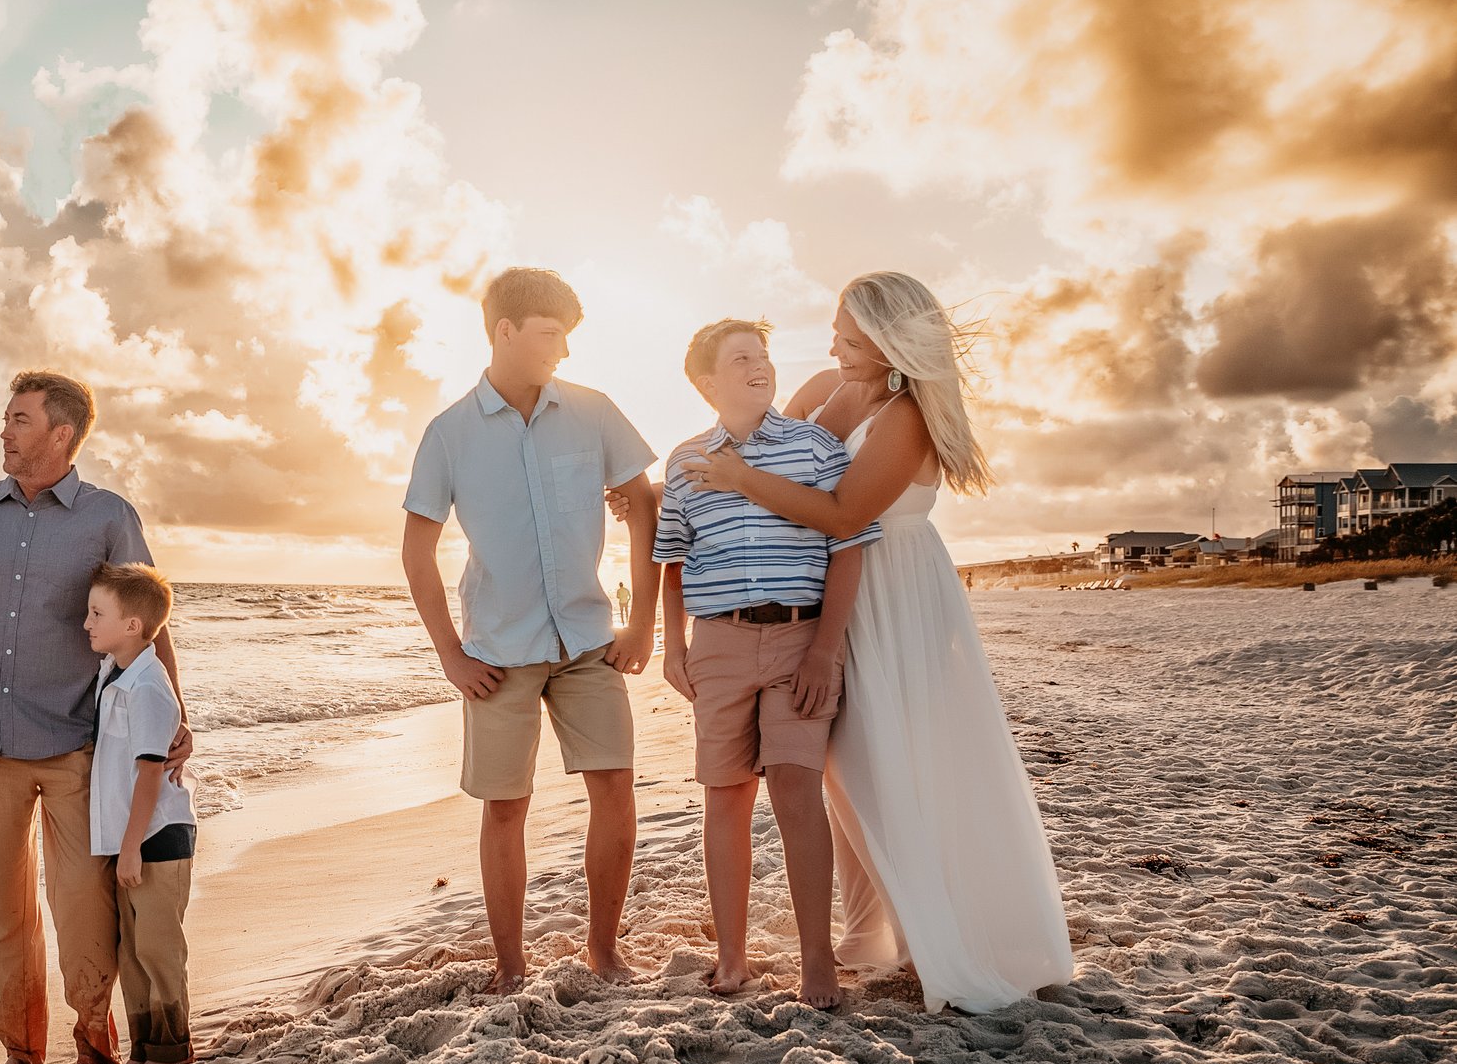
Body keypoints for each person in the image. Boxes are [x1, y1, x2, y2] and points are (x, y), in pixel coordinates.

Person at [679, 273, 1074, 1012]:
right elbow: (764, 444)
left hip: (893, 590)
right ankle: (869, 932)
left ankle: (942, 930)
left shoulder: (909, 415)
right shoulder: (830, 386)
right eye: (835, 330)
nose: (832, 345)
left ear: (889, 342)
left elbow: (842, 511)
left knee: (894, 759)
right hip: (827, 589)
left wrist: (737, 483)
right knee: (839, 771)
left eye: (849, 336)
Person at [0, 370, 192, 1064]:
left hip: (75, 747)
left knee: (81, 906)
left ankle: (93, 1046)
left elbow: (147, 622)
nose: (4, 431)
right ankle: (20, 1050)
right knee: (5, 910)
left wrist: (176, 714)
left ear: (60, 433)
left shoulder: (107, 517)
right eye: (6, 418)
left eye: (19, 419)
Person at [401, 266, 660, 995]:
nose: (564, 352)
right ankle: (510, 965)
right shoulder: (449, 432)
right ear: (504, 330)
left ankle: (603, 950)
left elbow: (643, 505)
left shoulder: (593, 410)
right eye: (551, 334)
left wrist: (642, 620)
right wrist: (450, 654)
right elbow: (416, 549)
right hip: (496, 653)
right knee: (505, 806)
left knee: (616, 788)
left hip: (588, 641)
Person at [656, 319, 876, 1011]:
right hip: (717, 643)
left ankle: (818, 962)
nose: (760, 367)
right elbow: (672, 562)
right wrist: (671, 646)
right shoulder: (685, 462)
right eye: (741, 358)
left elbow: (849, 545)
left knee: (794, 789)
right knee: (724, 794)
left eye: (764, 356)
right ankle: (732, 956)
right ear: (705, 382)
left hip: (798, 641)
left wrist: (824, 649)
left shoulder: (815, 447)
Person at [83, 562, 197, 1064]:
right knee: (131, 951)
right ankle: (143, 1045)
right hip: (130, 838)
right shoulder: (116, 672)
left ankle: (172, 1048)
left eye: (97, 613)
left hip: (156, 837)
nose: (86, 622)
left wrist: (130, 848)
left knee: (157, 945)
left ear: (132, 626)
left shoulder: (150, 686)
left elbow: (151, 774)